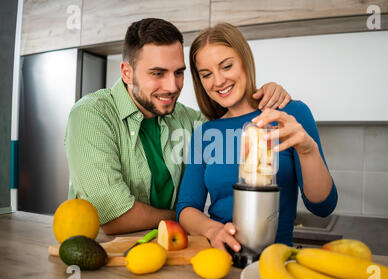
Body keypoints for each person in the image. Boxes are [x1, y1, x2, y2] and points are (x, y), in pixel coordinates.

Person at [64, 18, 291, 235]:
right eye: (158, 73)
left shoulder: (191, 121)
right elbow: (113, 216)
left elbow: (236, 119)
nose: (172, 86)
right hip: (104, 257)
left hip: (171, 255)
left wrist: (265, 95)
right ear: (127, 73)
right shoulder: (92, 115)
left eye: (179, 72)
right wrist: (183, 216)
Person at [176, 23, 338, 253]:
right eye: (207, 74)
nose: (219, 81)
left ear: (245, 60)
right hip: (219, 260)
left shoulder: (289, 115)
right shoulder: (205, 133)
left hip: (275, 262)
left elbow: (323, 206)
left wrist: (307, 150)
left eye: (227, 66)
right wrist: (212, 230)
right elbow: (186, 208)